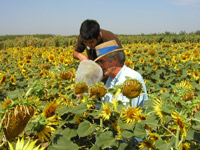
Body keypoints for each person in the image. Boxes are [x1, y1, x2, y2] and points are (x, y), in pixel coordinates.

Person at [94, 40, 148, 108]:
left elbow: (129, 110)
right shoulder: (110, 79)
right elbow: (106, 106)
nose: (100, 66)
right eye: (98, 62)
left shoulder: (132, 78)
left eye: (102, 61)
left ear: (115, 59)